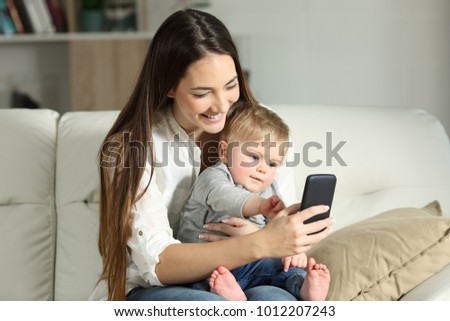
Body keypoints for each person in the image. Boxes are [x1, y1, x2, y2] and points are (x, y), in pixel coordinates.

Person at [90, 8, 334, 301]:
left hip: (249, 274)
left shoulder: (260, 130)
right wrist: (258, 243)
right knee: (213, 307)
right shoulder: (131, 148)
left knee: (277, 301)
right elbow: (157, 264)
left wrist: (292, 241)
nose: (222, 105)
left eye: (231, 86)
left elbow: (279, 224)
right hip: (157, 288)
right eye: (202, 93)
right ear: (169, 87)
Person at [178, 104, 330, 301]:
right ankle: (229, 295)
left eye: (272, 163)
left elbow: (278, 232)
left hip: (254, 266)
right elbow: (225, 197)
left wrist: (293, 251)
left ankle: (303, 287)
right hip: (209, 262)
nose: (262, 169)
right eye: (254, 156)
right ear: (224, 152)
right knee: (203, 279)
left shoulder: (271, 189)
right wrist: (260, 206)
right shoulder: (213, 178)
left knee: (285, 268)